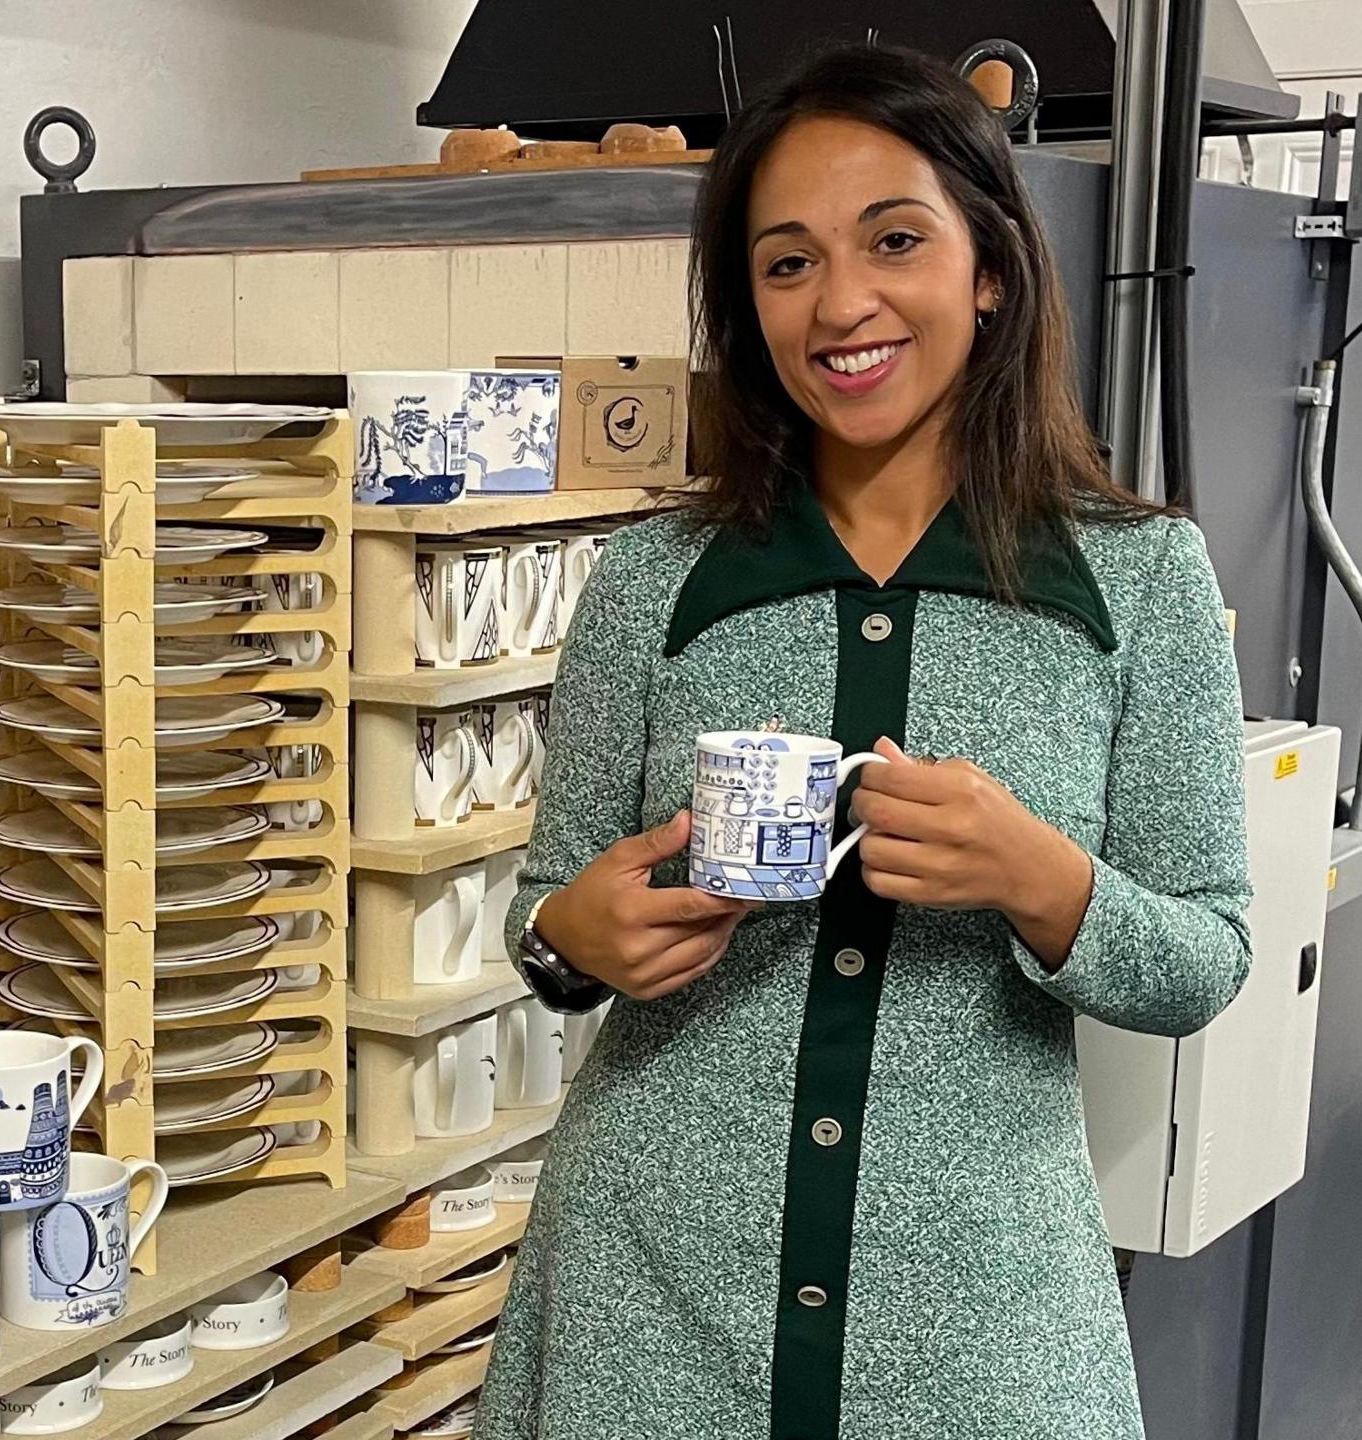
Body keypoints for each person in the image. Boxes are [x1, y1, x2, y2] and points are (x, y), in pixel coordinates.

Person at [478, 43, 1253, 1440]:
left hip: (975, 1323)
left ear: (992, 267)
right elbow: (550, 909)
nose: (842, 304)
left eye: (895, 240)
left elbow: (1206, 956)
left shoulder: (1137, 580)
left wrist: (1041, 876)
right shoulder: (658, 575)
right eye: (786, 264)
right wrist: (566, 940)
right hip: (650, 1298)